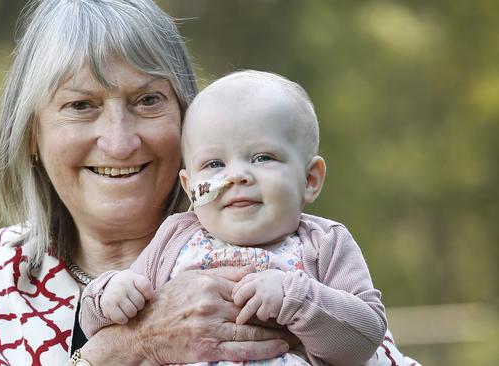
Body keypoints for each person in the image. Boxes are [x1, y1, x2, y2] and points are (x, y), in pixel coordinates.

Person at [0, 0, 419, 365]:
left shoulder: (294, 244)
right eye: (81, 105)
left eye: (148, 101)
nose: (118, 143)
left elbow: (365, 340)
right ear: (33, 135)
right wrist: (127, 347)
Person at [79, 70, 386, 366]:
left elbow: (366, 337)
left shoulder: (324, 243)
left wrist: (296, 298)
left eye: (263, 158)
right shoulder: (175, 237)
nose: (237, 175)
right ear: (190, 188)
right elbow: (97, 324)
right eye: (214, 163)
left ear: (310, 179)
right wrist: (110, 293)